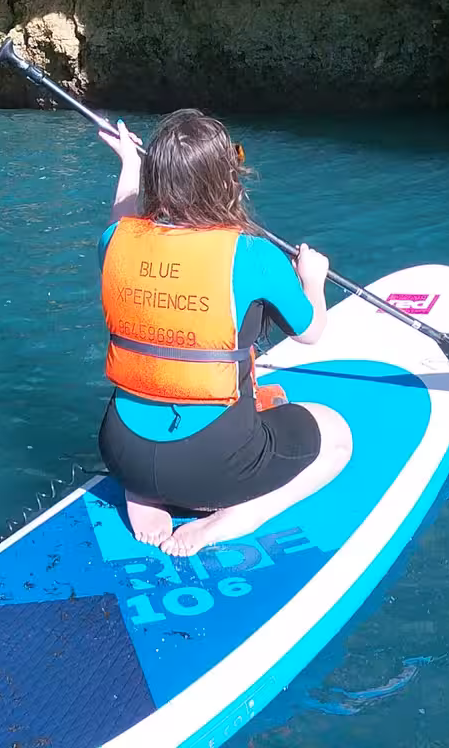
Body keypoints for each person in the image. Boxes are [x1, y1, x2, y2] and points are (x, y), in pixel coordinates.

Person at [96, 107, 353, 557]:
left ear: (156, 179)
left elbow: (122, 217)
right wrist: (312, 279)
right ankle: (240, 515)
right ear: (225, 181)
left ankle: (145, 495)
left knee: (155, 437)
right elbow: (311, 332)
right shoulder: (254, 255)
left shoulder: (114, 240)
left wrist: (130, 165)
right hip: (213, 466)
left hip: (121, 454)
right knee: (337, 436)